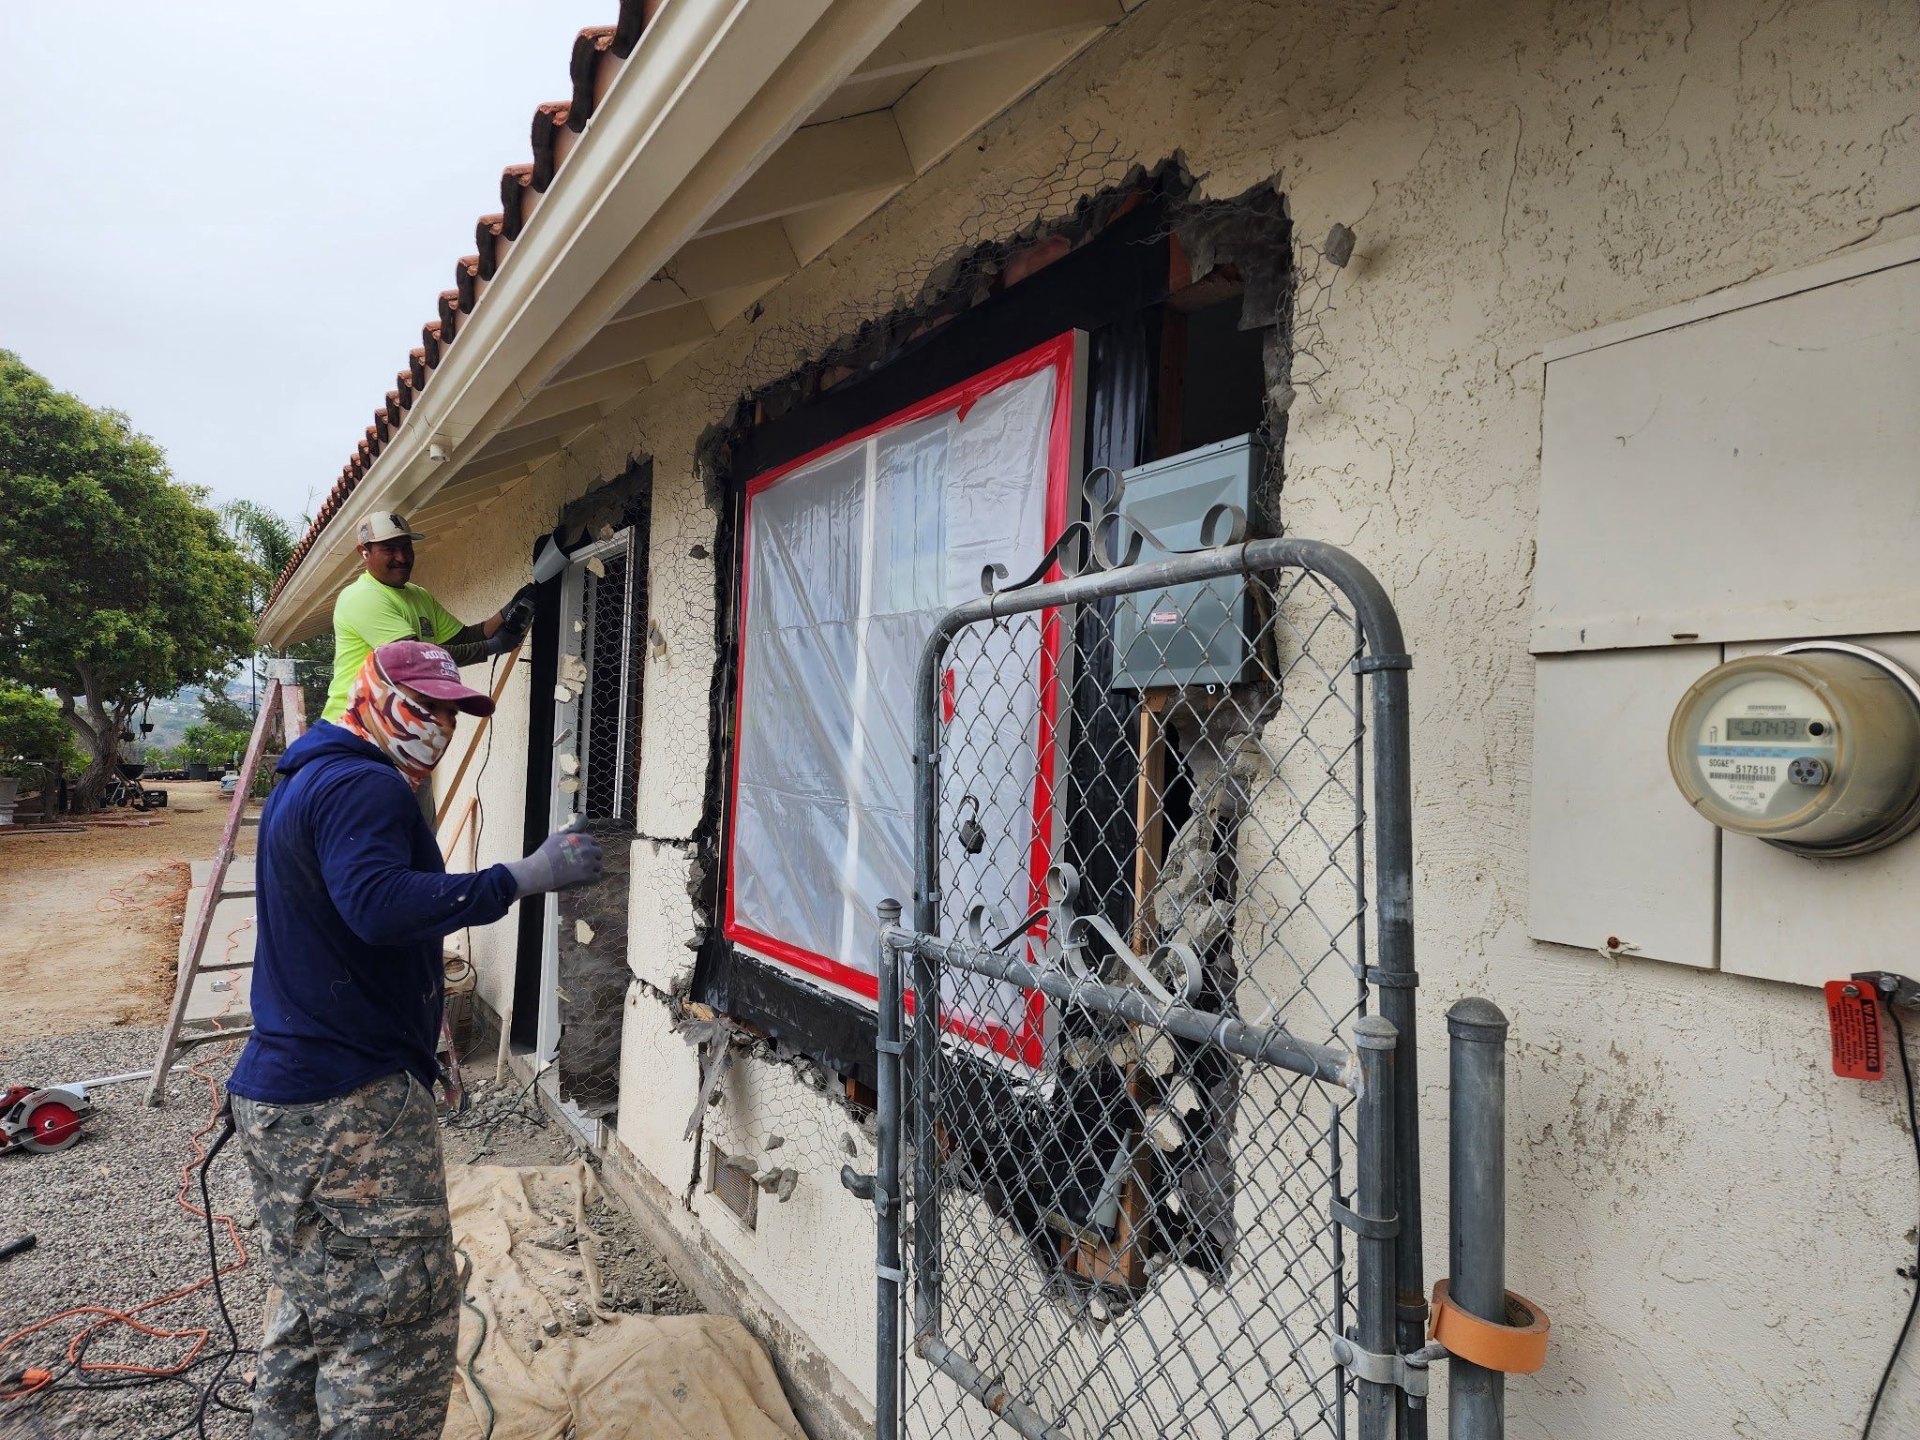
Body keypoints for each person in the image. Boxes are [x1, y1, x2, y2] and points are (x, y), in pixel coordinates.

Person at [226, 639, 602, 1439]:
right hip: (346, 1106)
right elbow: (378, 906)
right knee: (397, 1326)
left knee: (317, 1300)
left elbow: (350, 928)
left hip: (286, 1091)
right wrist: (522, 877)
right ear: (376, 695)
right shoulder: (365, 786)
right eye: (426, 706)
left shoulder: (310, 778)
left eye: (452, 713)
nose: (439, 726)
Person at [320, 509, 537, 723]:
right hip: (350, 725)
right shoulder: (361, 597)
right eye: (389, 549)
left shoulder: (419, 595)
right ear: (364, 552)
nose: (402, 557)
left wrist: (506, 612)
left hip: (394, 729)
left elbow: (464, 639)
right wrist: (495, 646)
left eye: (407, 547)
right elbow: (416, 658)